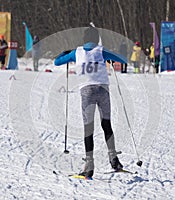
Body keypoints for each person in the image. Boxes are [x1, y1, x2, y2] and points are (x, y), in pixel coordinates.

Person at [54, 27, 126, 178]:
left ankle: (89, 164)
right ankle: (114, 159)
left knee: (89, 128)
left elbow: (57, 62)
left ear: (84, 38)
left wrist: (65, 52)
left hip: (87, 92)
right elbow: (123, 59)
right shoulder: (101, 51)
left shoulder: (77, 52)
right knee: (106, 124)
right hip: (103, 90)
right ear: (97, 38)